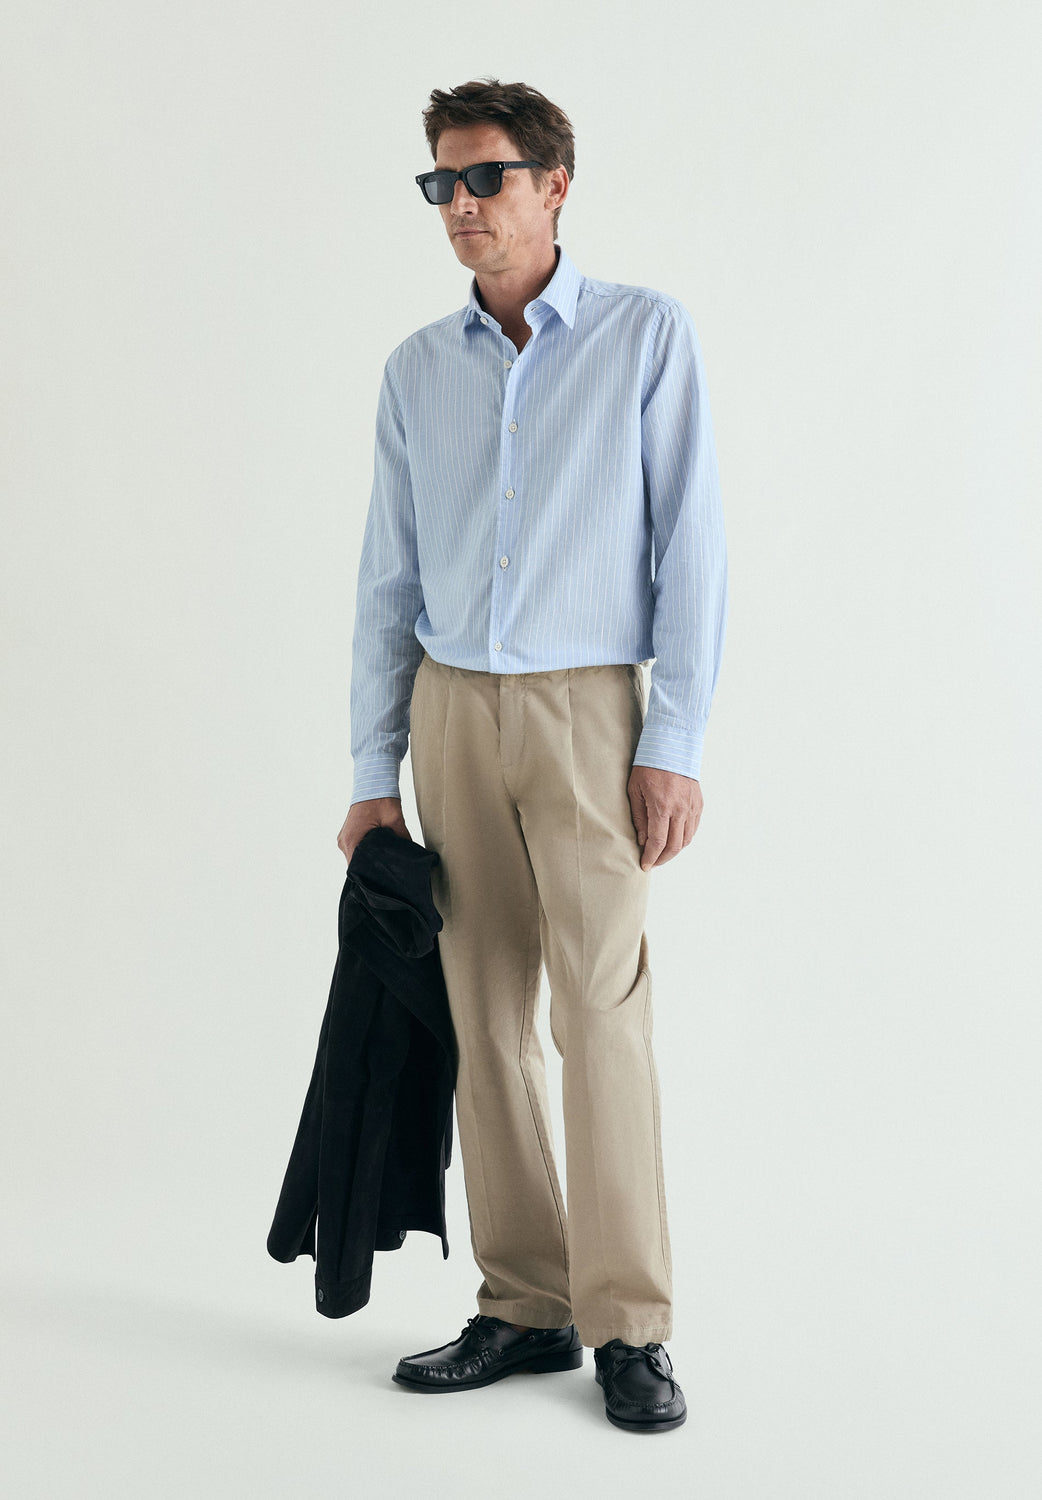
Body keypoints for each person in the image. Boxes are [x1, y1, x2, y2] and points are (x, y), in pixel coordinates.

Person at [336, 77, 728, 1434]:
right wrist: (371, 772)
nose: (461, 205)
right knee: (483, 1012)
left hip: (587, 715)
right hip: (451, 713)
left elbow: (691, 549)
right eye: (441, 183)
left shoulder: (643, 336)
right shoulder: (416, 370)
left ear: (554, 184)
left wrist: (672, 742)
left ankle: (631, 1323)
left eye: (485, 177)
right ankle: (524, 1300)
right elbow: (387, 581)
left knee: (599, 1011)